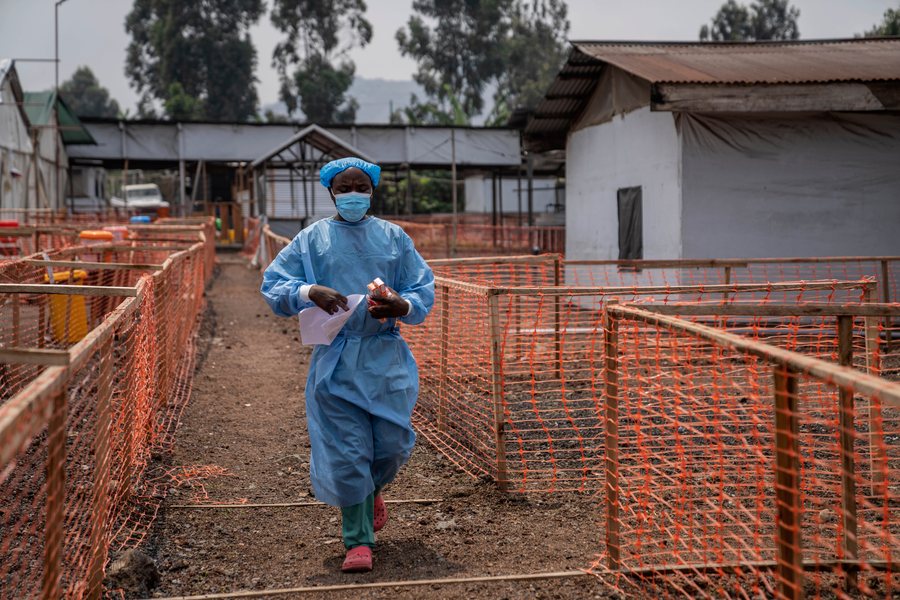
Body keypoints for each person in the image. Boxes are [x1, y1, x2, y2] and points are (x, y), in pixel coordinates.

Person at [260, 156, 434, 573]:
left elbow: (420, 288)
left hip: (385, 357)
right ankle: (358, 541)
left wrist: (400, 304)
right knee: (348, 451)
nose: (353, 194)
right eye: (344, 187)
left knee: (391, 444)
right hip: (335, 361)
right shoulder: (311, 240)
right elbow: (273, 285)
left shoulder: (394, 238)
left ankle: (373, 490)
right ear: (331, 192)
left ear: (372, 191)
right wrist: (307, 291)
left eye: (361, 187)